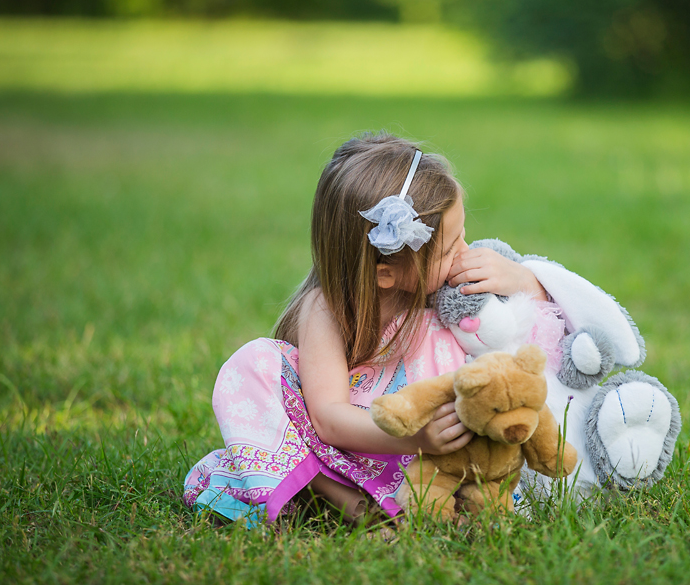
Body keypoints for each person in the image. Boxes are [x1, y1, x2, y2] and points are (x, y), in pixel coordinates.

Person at [183, 133, 546, 526]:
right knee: (255, 363)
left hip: (433, 460)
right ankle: (350, 504)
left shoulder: (451, 292)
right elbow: (328, 419)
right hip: (352, 448)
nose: (466, 251)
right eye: (449, 248)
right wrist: (414, 437)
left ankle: (437, 500)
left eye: (462, 235)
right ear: (385, 274)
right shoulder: (328, 310)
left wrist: (523, 279)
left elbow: (532, 332)